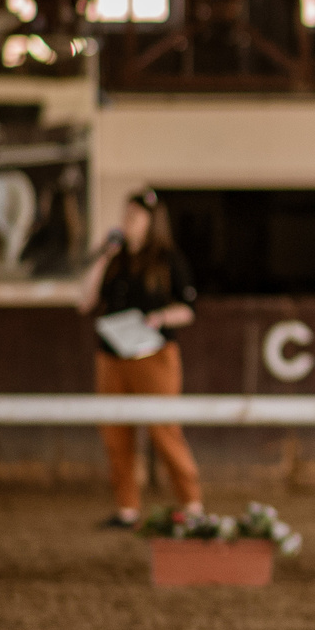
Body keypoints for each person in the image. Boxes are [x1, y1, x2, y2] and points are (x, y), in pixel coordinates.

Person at [77, 187, 203, 529]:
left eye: (135, 216)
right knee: (115, 435)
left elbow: (188, 309)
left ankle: (192, 504)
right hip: (112, 357)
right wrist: (103, 256)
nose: (128, 221)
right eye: (126, 214)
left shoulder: (167, 259)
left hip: (153, 355)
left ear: (151, 221)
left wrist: (159, 318)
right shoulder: (114, 259)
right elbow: (85, 302)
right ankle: (127, 509)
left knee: (165, 431)